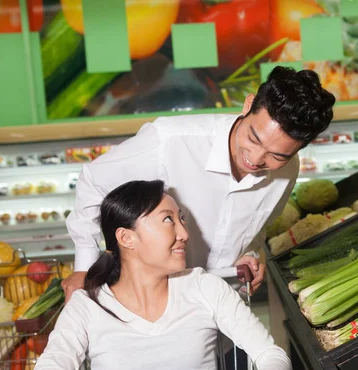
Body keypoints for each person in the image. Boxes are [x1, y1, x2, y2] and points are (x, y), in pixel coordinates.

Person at [63, 66, 336, 300]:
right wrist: (84, 267)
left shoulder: (288, 170)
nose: (255, 159)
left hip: (222, 306)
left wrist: (249, 254)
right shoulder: (170, 140)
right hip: (149, 304)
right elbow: (94, 181)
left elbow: (253, 228)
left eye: (277, 155)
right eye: (253, 139)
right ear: (248, 105)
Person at [26, 180, 292, 370]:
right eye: (168, 220)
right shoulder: (87, 307)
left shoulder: (203, 287)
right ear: (126, 238)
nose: (184, 233)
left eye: (182, 219)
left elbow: (274, 358)